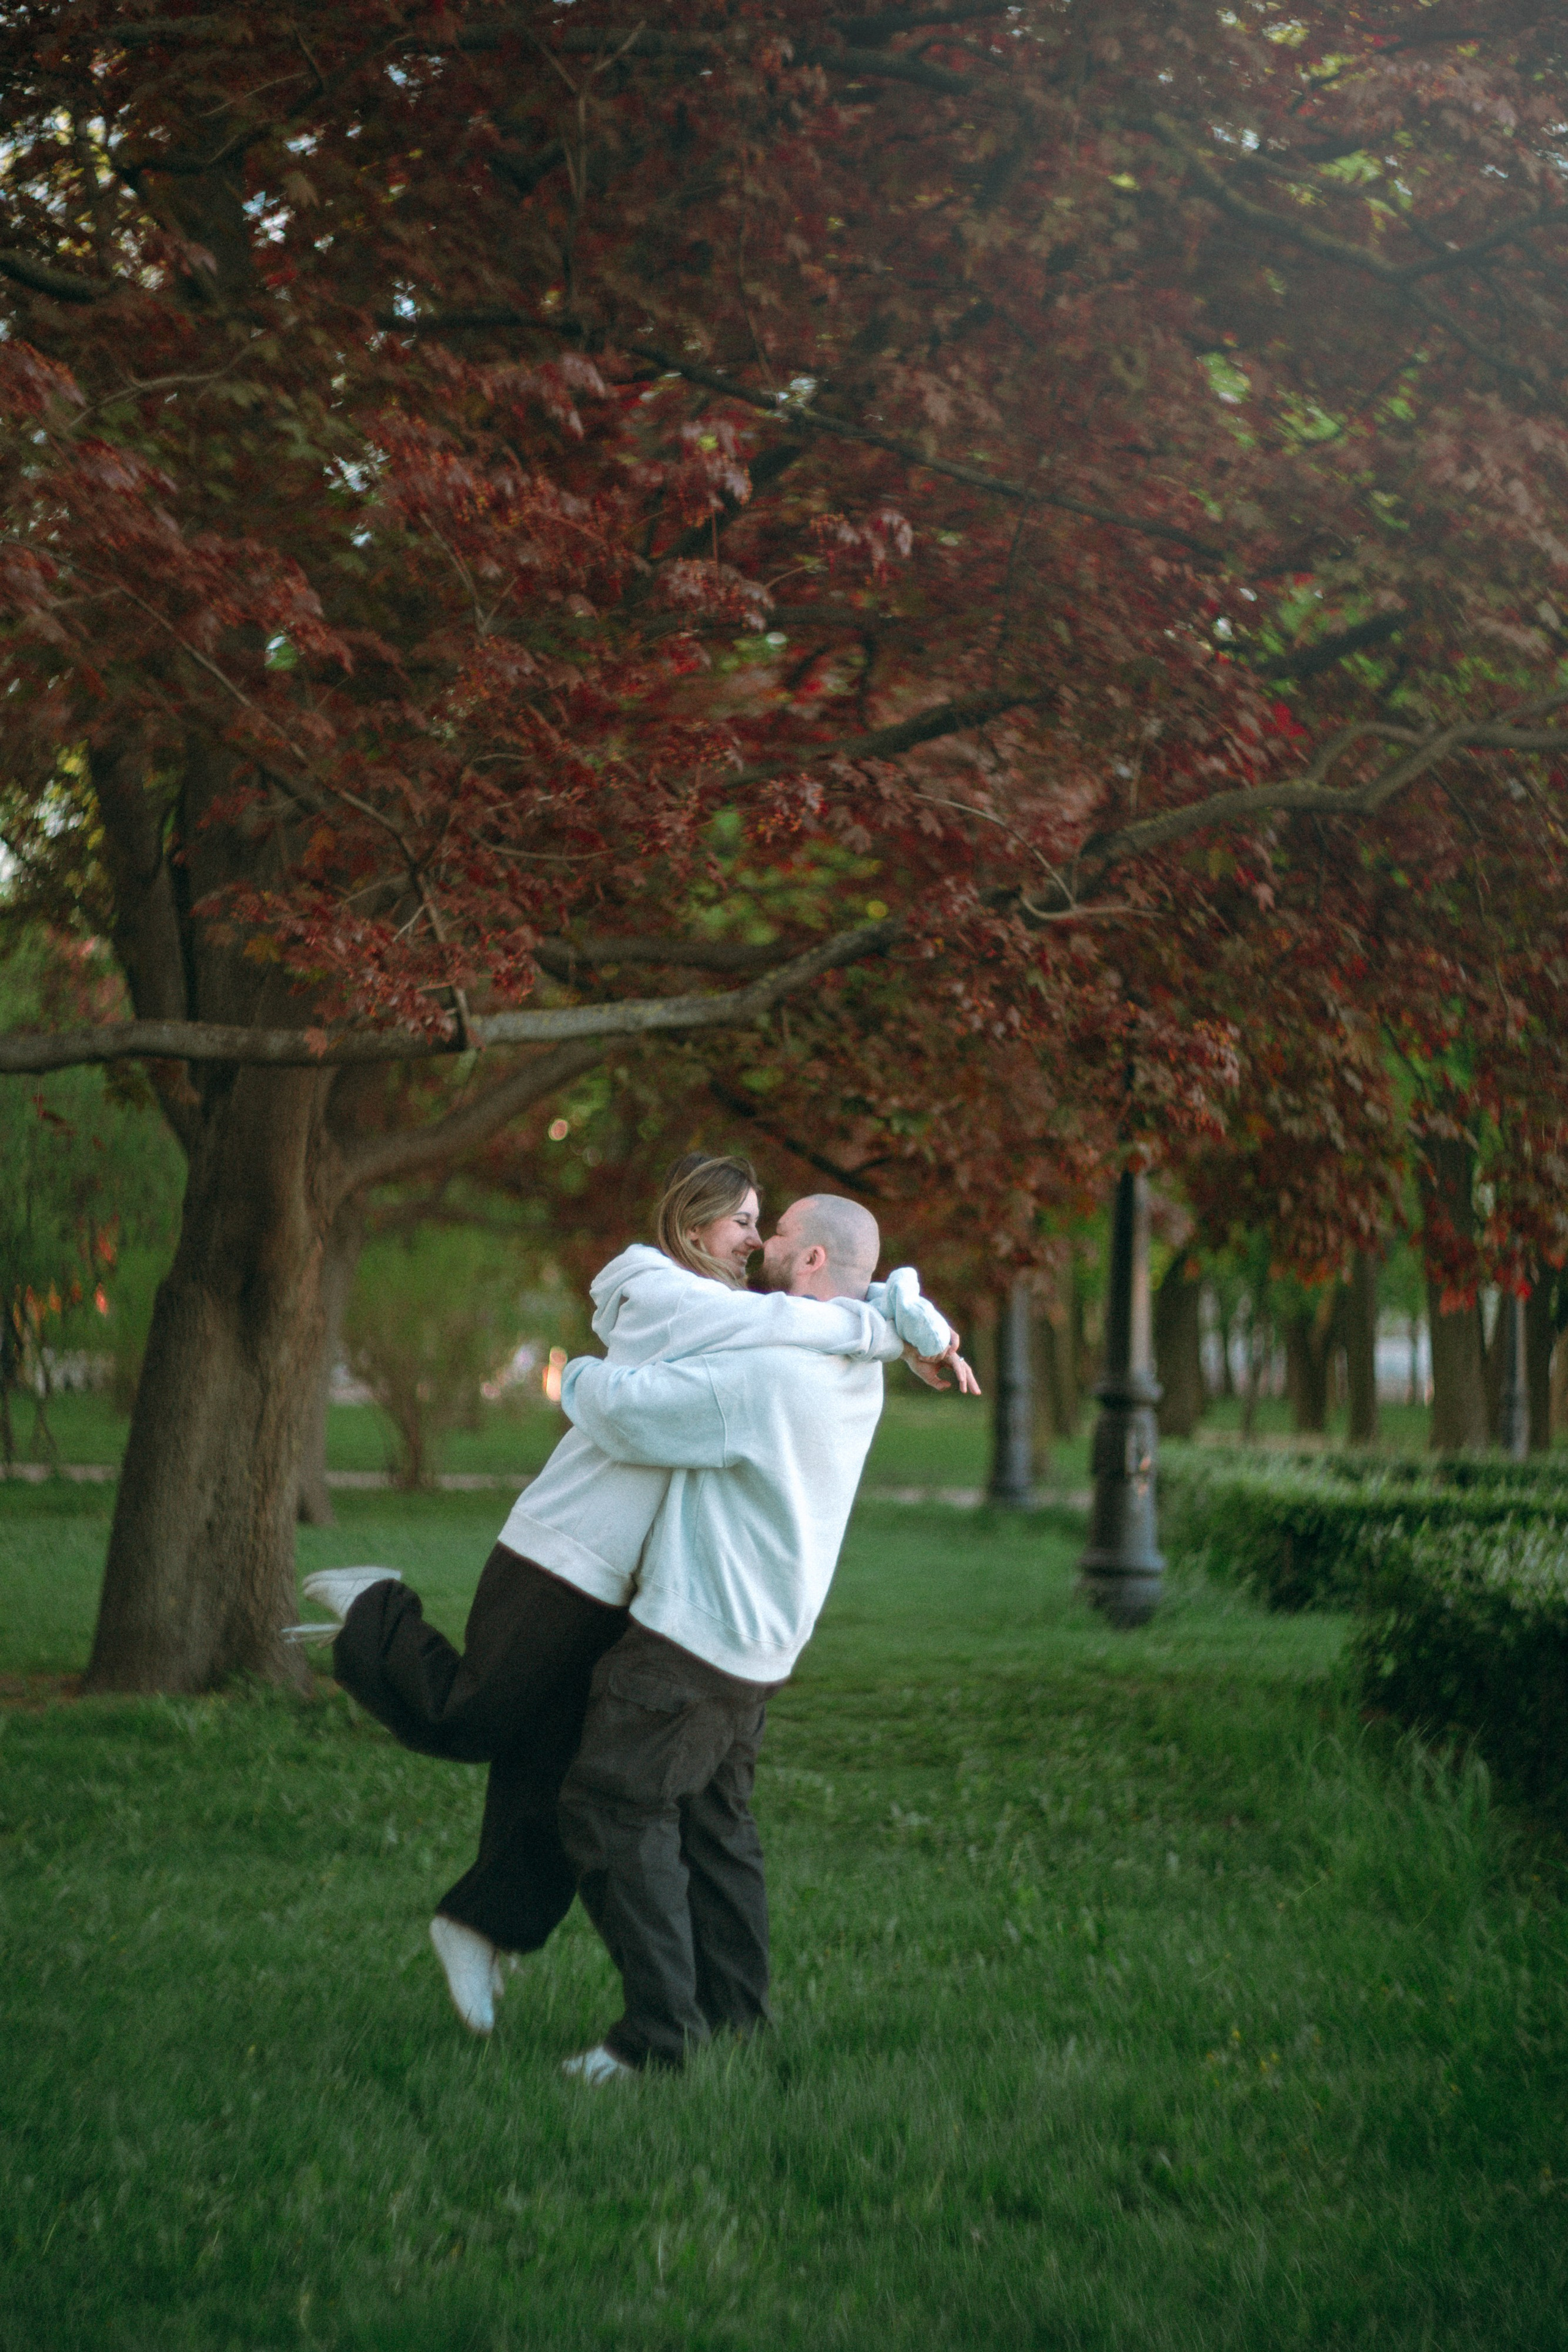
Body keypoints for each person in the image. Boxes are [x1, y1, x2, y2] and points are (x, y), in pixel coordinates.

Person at [287, 1153, 960, 2034]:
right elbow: (698, 1370)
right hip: (563, 1554)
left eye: (770, 1226)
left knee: (553, 1760)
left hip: (634, 1590)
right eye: (745, 1220)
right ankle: (377, 1610)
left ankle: (482, 1924)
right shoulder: (662, 1289)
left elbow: (813, 1315)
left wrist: (896, 1321)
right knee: (477, 1720)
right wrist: (886, 1325)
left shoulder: (759, 1327)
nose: (757, 1238)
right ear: (691, 1227)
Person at [551, 1192, 979, 2082]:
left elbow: (630, 1414)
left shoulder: (775, 1375)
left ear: (812, 1263)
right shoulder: (855, 1355)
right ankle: (737, 2020)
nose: (760, 1246)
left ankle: (657, 2039)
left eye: (776, 1233)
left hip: (694, 1642)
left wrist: (572, 1378)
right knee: (716, 1829)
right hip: (763, 1646)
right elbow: (886, 1299)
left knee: (613, 1807)